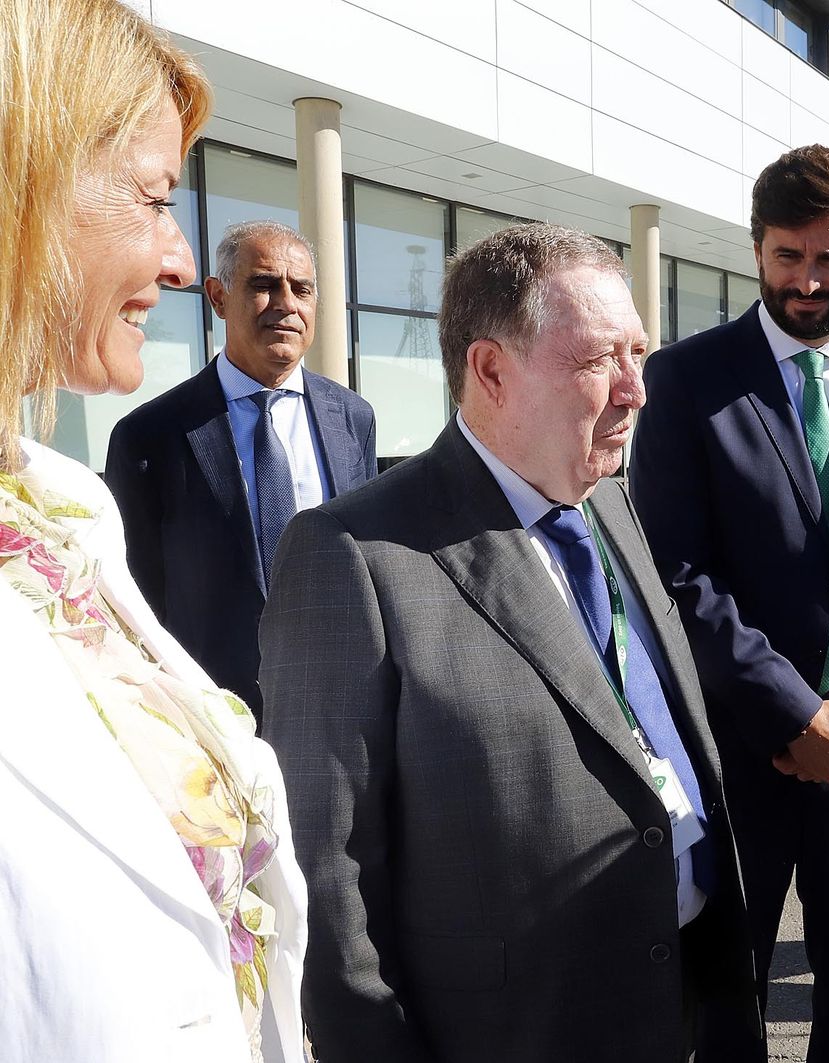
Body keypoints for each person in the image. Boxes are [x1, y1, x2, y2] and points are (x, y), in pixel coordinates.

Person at [260, 223, 761, 1063]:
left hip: (690, 1005)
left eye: (640, 353)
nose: (637, 390)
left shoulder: (607, 500)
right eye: (601, 359)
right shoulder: (354, 555)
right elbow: (327, 884)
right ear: (490, 369)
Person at [0, 2, 307, 1061]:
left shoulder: (59, 513)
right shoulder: (139, 443)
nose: (179, 262)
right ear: (22, 186)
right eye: (152, 197)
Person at [630, 144, 829, 1061]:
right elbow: (677, 574)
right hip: (741, 754)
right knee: (727, 993)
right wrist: (793, 714)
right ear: (758, 249)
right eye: (787, 256)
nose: (807, 281)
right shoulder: (687, 383)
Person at [105, 220, 376, 714]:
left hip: (344, 700)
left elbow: (372, 563)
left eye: (302, 289)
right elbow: (134, 599)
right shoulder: (148, 437)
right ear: (217, 297)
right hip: (213, 710)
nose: (286, 305)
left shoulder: (353, 419)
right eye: (264, 285)